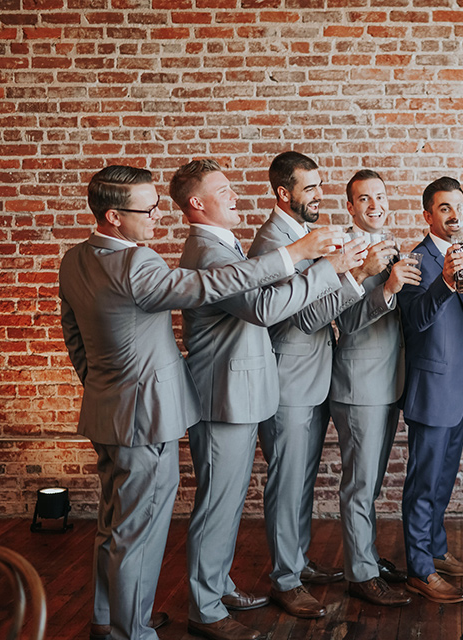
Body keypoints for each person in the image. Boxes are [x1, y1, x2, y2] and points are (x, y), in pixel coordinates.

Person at [60, 165, 340, 640]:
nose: (156, 217)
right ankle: (134, 632)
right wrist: (296, 254)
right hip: (146, 416)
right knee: (139, 533)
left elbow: (75, 340)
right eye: (146, 209)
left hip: (108, 411)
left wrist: (106, 388)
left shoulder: (75, 258)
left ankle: (109, 621)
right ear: (111, 216)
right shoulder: (137, 263)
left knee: (113, 525)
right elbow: (205, 289)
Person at [172, 159, 360, 640]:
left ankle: (216, 585)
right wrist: (327, 267)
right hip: (221, 394)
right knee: (218, 503)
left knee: (229, 500)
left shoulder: (222, 241)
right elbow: (264, 308)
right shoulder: (206, 249)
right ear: (197, 203)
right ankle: (206, 609)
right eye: (224, 189)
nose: (236, 195)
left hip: (240, 390)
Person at [248, 151, 366, 619]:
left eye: (320, 185)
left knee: (302, 480)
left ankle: (295, 560)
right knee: (286, 480)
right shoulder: (270, 243)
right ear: (284, 193)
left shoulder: (304, 234)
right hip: (288, 379)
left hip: (314, 377)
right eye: (310, 187)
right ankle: (284, 579)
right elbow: (295, 319)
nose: (320, 194)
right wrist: (351, 274)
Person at [397, 177, 463, 604]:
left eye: (459, 207)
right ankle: (419, 568)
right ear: (427, 216)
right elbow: (414, 321)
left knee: (442, 481)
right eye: (444, 208)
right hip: (431, 388)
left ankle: (435, 551)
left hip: (459, 384)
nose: (454, 215)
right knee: (423, 483)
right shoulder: (416, 261)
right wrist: (447, 282)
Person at [329, 169, 421, 607]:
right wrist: (387, 286)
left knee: (373, 482)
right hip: (359, 384)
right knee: (359, 485)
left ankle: (366, 556)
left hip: (390, 381)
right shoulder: (342, 252)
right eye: (364, 199)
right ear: (350, 207)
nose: (374, 205)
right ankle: (361, 574)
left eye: (380, 197)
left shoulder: (394, 246)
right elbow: (344, 323)